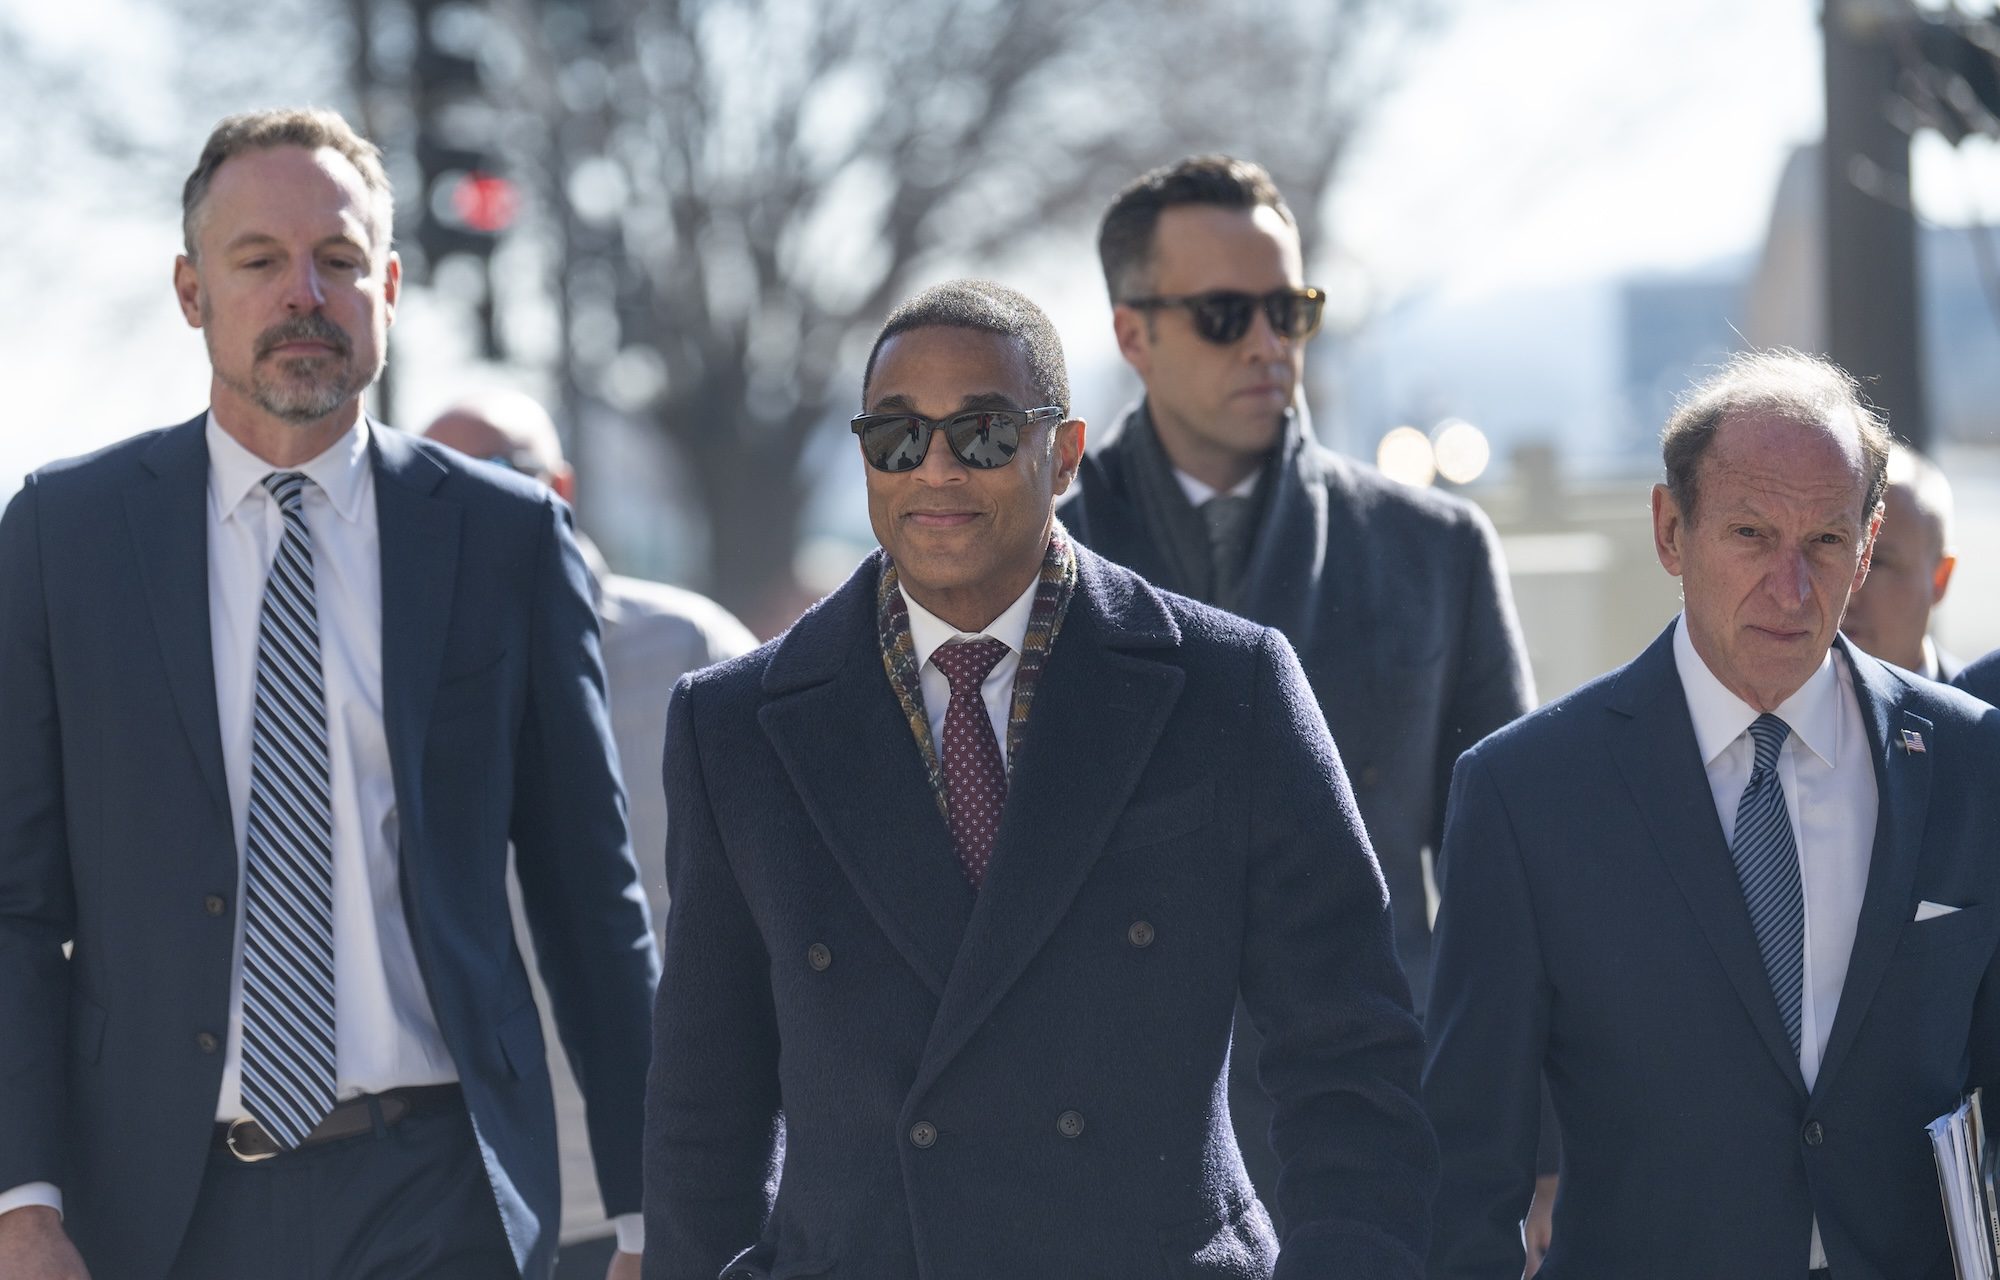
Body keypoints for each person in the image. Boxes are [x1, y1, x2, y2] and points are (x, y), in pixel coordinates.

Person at [642, 279, 1437, 1279]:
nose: (934, 466)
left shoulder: (1226, 687)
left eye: (981, 433)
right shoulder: (734, 726)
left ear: (1062, 454)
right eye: (896, 435)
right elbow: (704, 1108)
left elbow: (1350, 1056)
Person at [0, 109, 657, 1280]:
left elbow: (589, 896)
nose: (304, 293)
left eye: (340, 260)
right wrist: (21, 1201)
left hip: (441, 1190)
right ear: (192, 292)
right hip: (158, 1206)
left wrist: (654, 1209)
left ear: (389, 289)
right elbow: (12, 899)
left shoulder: (505, 540)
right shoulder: (66, 536)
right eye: (259, 259)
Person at [1425, 350, 2000, 1279]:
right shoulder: (1526, 793)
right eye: (1750, 534)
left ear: (1867, 546)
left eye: (1826, 541)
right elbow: (1465, 1164)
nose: (1791, 586)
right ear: (1670, 530)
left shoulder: (1974, 761)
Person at [1057, 151, 1536, 1203]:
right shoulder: (1045, 561)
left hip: (1378, 1131)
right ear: (1131, 334)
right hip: (1105, 1157)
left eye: (1290, 310)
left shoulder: (1433, 549)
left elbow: (1508, 883)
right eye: (1225, 315)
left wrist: (1536, 1144)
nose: (1268, 344)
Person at [423, 391, 755, 1272]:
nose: (471, 507)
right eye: (436, 486)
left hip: (678, 1188)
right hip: (473, 1201)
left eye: (500, 474)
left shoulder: (688, 650)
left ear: (559, 488)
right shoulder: (388, 687)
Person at [1840, 442, 1959, 680]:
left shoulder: (1983, 703)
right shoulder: (1769, 702)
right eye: (1829, 546)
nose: (1847, 593)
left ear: (1940, 578)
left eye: (1876, 563)